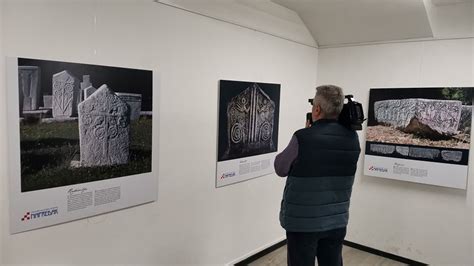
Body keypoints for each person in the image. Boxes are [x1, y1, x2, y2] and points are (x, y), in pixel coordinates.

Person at [274, 85, 361, 266]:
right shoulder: (352, 139)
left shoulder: (302, 137)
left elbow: (281, 168)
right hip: (336, 221)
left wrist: (306, 132)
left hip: (303, 224)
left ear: (317, 109)